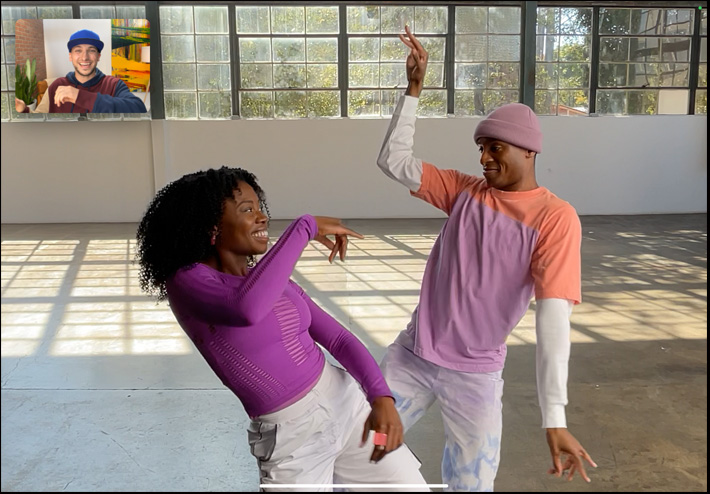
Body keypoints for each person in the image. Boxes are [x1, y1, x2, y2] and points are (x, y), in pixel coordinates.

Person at [375, 26, 597, 491]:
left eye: (496, 147)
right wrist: (413, 90)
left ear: (529, 151)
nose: (484, 158)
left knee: (471, 484)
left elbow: (553, 318)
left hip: (474, 379)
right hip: (410, 359)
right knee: (363, 447)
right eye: (481, 148)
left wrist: (554, 416)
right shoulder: (464, 192)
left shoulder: (555, 218)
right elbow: (393, 161)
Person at [135, 166, 428, 491]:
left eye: (260, 207)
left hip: (349, 407)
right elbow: (246, 309)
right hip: (292, 440)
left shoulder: (270, 281)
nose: (262, 217)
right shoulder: (187, 282)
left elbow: (338, 339)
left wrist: (381, 397)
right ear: (211, 226)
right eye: (247, 210)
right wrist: (304, 227)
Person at [16, 29, 146, 114]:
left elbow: (139, 109)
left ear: (98, 56)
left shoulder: (113, 84)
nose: (84, 57)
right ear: (70, 56)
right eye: (78, 50)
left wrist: (79, 96)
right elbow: (39, 118)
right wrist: (23, 110)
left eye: (91, 50)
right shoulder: (56, 86)